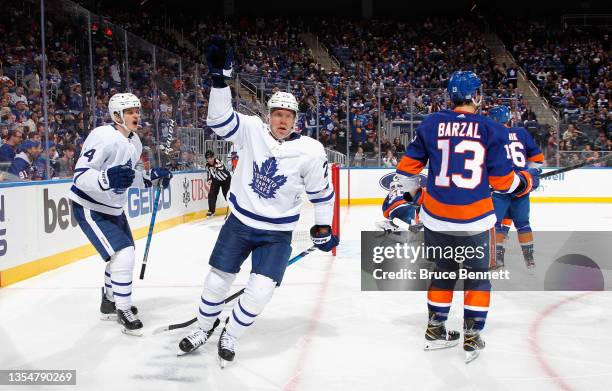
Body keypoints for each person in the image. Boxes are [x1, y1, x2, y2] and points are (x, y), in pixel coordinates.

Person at [178, 37, 339, 367]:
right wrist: (220, 82)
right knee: (216, 280)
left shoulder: (310, 150)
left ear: (296, 120)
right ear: (269, 115)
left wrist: (324, 225)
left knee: (261, 291)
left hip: (276, 235)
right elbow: (218, 121)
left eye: (288, 116)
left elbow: (322, 193)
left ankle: (231, 333)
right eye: (277, 114)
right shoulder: (251, 130)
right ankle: (203, 327)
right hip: (239, 224)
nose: (282, 120)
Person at [387, 71, 540, 363]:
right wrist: (527, 181)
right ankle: (472, 335)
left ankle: (435, 328)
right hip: (475, 220)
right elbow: (504, 183)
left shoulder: (431, 123)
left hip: (436, 218)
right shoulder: (490, 128)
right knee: (477, 278)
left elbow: (406, 170)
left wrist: (410, 196)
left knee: (443, 274)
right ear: (477, 95)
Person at [67, 93, 172, 335]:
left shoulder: (135, 142)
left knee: (119, 256)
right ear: (116, 116)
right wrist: (105, 178)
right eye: (130, 111)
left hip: (113, 207)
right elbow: (80, 175)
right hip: (90, 207)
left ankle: (108, 302)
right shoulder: (102, 136)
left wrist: (149, 178)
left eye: (137, 110)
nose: (136, 114)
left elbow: (126, 178)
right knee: (123, 254)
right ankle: (122, 308)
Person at [488, 105, 544, 272]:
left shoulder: (490, 136)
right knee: (523, 224)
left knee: (496, 224)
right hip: (521, 186)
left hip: (500, 186)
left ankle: (498, 259)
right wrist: (529, 174)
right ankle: (530, 260)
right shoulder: (521, 133)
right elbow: (538, 159)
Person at [204, 149, 231, 217]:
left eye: (211, 158)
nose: (209, 160)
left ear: (213, 157)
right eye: (208, 158)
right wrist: (209, 179)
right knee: (211, 194)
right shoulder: (207, 166)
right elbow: (209, 173)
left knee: (226, 194)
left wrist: (215, 166)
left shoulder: (218, 161)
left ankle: (234, 209)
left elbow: (221, 168)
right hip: (216, 180)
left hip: (225, 179)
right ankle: (211, 211)